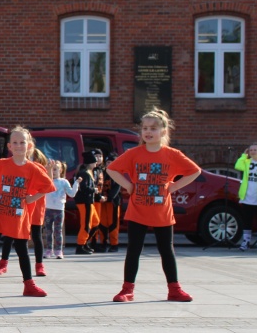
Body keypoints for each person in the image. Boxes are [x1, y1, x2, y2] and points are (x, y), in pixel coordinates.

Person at [105, 108, 200, 302]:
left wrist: (174, 186)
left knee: (166, 250)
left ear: (163, 131)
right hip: (138, 210)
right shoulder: (134, 153)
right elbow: (112, 169)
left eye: (153, 128)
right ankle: (127, 290)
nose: (148, 132)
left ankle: (174, 289)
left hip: (162, 212)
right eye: (145, 128)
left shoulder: (172, 154)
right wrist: (128, 185)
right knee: (134, 250)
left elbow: (194, 171)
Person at [0, 127, 55, 298]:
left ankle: (29, 285)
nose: (18, 146)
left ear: (29, 145)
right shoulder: (1, 164)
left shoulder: (33, 168)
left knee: (22, 249)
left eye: (22, 142)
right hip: (0, 213)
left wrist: (32, 198)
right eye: (15, 142)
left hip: (19, 216)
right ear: (9, 146)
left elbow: (49, 186)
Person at [0, 146, 51, 278]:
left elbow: (48, 185)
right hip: (21, 205)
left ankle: (39, 265)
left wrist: (50, 172)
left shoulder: (39, 169)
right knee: (10, 235)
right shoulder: (21, 167)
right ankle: (3, 263)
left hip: (36, 205)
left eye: (34, 157)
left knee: (36, 235)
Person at [43, 159, 79, 260]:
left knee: (58, 231)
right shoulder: (48, 180)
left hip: (59, 209)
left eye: (55, 169)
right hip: (48, 209)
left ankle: (59, 251)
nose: (53, 172)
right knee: (48, 231)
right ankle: (49, 250)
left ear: (61, 170)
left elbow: (71, 194)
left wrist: (76, 183)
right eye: (52, 169)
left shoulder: (64, 182)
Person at [235, 143, 257, 251]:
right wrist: (244, 155)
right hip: (247, 196)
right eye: (251, 150)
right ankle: (246, 241)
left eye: (255, 150)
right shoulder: (247, 162)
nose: (253, 152)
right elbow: (238, 166)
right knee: (247, 220)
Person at [94, 152, 122, 252]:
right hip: (103, 202)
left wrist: (109, 198)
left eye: (111, 162)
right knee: (102, 223)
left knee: (113, 223)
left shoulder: (117, 174)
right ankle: (103, 243)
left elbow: (116, 188)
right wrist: (100, 196)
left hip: (112, 202)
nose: (109, 164)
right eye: (107, 162)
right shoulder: (102, 173)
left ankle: (114, 244)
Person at [74, 150, 100, 254]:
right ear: (90, 163)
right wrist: (94, 190)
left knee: (95, 222)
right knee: (86, 224)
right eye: (94, 161)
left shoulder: (88, 173)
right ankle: (80, 245)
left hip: (89, 201)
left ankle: (85, 242)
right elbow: (84, 187)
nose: (96, 163)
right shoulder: (84, 173)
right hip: (84, 202)